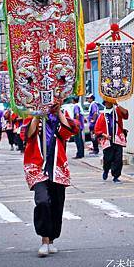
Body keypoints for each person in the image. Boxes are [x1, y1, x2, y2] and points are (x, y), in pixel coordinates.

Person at [22, 101, 80, 257]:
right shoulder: (32, 117)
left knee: (56, 204)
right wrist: (37, 114)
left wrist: (59, 111)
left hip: (57, 166)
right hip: (37, 167)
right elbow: (27, 135)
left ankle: (52, 239)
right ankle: (44, 240)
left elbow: (69, 131)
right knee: (42, 201)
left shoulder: (60, 117)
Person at [94, 101, 129, 183]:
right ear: (105, 104)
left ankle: (116, 176)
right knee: (108, 159)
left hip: (118, 140)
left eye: (110, 102)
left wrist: (117, 104)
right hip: (107, 141)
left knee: (118, 159)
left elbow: (126, 114)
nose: (109, 104)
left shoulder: (117, 111)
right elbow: (97, 130)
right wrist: (104, 135)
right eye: (107, 102)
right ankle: (106, 170)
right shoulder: (102, 115)